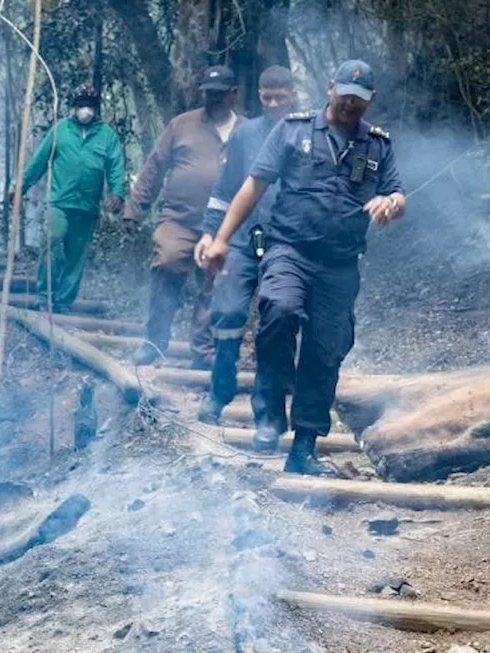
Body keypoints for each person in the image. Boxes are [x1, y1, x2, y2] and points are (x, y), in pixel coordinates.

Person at [199, 60, 406, 475]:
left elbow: (397, 192)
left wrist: (392, 204)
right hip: (288, 250)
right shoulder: (293, 130)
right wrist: (220, 238)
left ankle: (304, 447)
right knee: (278, 309)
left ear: (370, 102)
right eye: (345, 94)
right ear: (330, 88)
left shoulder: (377, 145)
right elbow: (253, 186)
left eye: (359, 100)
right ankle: (269, 413)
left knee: (325, 349)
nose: (351, 104)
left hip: (340, 264)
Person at [192, 65, 298, 424]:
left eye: (279, 97)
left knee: (276, 323)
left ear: (293, 94)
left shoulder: (306, 134)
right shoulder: (244, 135)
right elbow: (224, 190)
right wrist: (210, 233)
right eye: (266, 97)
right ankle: (219, 393)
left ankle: (268, 413)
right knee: (228, 313)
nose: (272, 104)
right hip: (241, 240)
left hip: (286, 243)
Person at [124, 66, 242, 368]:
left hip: (225, 228)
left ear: (233, 95)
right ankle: (155, 341)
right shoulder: (182, 125)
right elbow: (154, 167)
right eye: (208, 95)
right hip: (179, 219)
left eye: (219, 95)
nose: (213, 100)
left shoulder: (247, 131)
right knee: (166, 264)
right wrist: (135, 209)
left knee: (214, 285)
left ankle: (203, 353)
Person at [21, 85, 126, 313]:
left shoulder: (107, 135)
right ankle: (44, 295)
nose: (85, 110)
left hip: (87, 206)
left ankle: (63, 302)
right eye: (81, 105)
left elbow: (116, 166)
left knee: (76, 257)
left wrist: (117, 192)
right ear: (74, 107)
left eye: (89, 105)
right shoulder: (60, 130)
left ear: (95, 108)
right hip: (59, 201)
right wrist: (20, 186)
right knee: (53, 240)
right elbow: (38, 161)